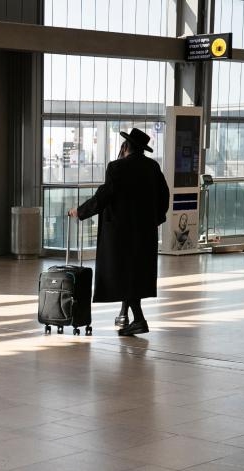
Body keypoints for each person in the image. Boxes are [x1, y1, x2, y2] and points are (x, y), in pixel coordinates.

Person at [69, 127, 169, 336]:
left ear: (125, 146)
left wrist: (79, 212)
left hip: (120, 235)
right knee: (135, 275)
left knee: (124, 274)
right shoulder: (152, 167)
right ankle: (124, 315)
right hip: (145, 233)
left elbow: (103, 196)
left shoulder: (116, 167)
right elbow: (164, 197)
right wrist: (155, 220)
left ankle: (139, 320)